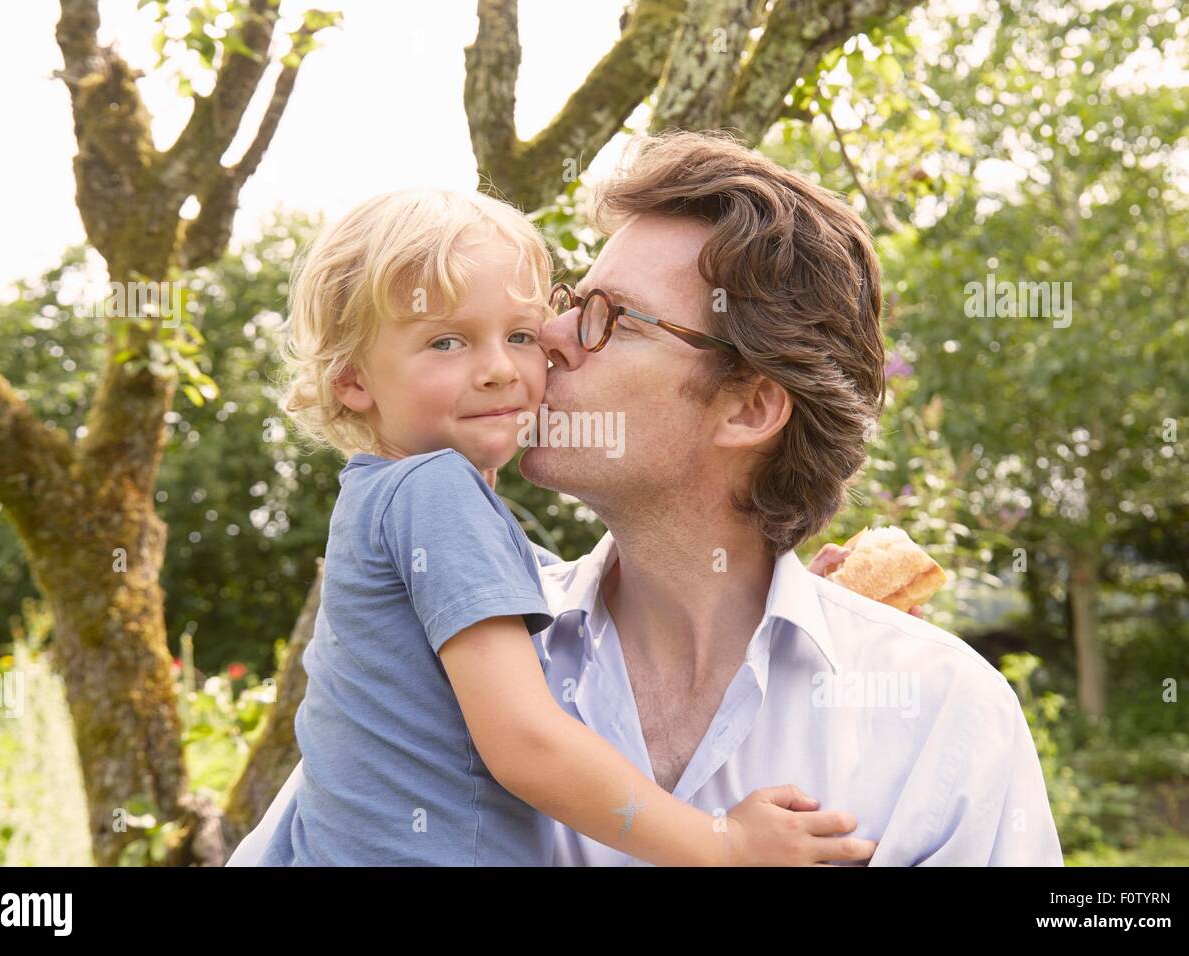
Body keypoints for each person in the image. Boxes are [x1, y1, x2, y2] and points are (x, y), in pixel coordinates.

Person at [243, 186, 876, 866]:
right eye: (446, 341)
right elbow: (524, 741)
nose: (497, 370)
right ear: (352, 380)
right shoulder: (431, 491)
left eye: (518, 335)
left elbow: (545, 589)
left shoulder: (410, 507)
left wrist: (788, 598)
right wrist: (719, 844)